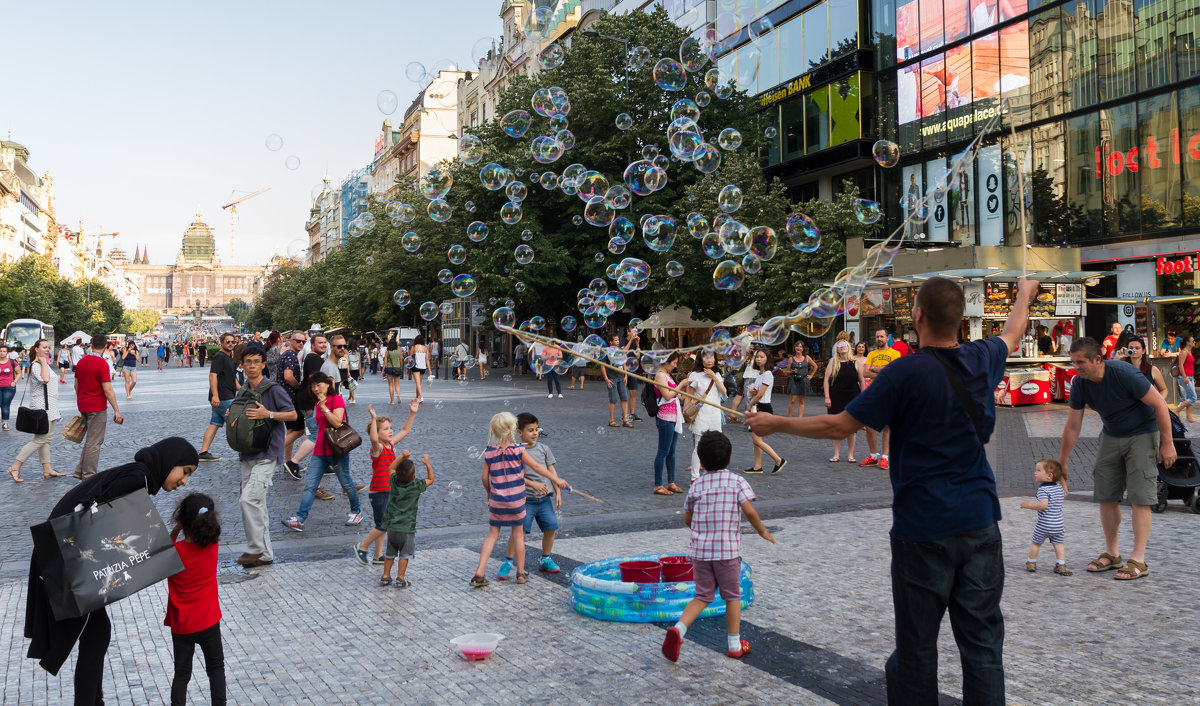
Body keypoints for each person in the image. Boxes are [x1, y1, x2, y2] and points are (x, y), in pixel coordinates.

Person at [748, 276, 1038, 703]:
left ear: (917, 316)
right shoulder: (982, 356)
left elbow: (840, 424)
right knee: (982, 649)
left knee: (916, 651)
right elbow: (1013, 331)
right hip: (980, 523)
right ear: (961, 320)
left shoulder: (905, 371)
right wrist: (1023, 296)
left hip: (922, 530)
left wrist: (777, 423)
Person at [25, 437, 199, 706]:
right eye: (185, 471)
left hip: (63, 553)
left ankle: (93, 702)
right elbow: (91, 517)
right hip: (64, 556)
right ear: (170, 461)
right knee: (96, 632)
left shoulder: (138, 475)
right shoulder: (137, 478)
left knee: (97, 632)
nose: (184, 481)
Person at [1060, 336, 1176, 581]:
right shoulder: (1080, 383)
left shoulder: (1123, 373)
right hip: (1111, 434)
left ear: (1098, 359)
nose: (1076, 367)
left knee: (1140, 497)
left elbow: (1160, 405)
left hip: (1143, 433)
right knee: (1106, 494)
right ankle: (1113, 554)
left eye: (1081, 362)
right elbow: (1072, 425)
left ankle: (1138, 559)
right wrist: (1062, 461)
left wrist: (1167, 444)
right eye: (1073, 362)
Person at [661, 431, 775, 663]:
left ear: (701, 462)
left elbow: (687, 520)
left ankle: (679, 629)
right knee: (732, 596)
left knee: (702, 595)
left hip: (700, 553)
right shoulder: (737, 481)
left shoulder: (697, 486)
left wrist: (702, 530)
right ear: (730, 459)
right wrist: (762, 531)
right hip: (727, 552)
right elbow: (750, 510)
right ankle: (734, 644)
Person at [469, 412, 551, 587]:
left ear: (495, 431)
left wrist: (489, 493)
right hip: (517, 501)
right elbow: (536, 466)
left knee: (492, 536)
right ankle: (520, 573)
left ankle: (479, 572)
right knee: (518, 536)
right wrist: (556, 479)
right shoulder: (518, 449)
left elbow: (484, 478)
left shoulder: (489, 452)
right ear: (513, 429)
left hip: (497, 500)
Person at [233, 348, 296, 569]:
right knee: (256, 504)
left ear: (262, 365)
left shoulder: (273, 389)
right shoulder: (242, 392)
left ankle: (254, 549)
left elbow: (293, 415)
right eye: (248, 361)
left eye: (256, 362)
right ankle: (266, 554)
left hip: (268, 453)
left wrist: (267, 414)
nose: (251, 365)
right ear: (242, 364)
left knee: (248, 500)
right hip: (247, 453)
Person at [281, 372, 364, 531]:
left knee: (345, 482)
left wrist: (325, 407)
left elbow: (337, 423)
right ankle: (300, 518)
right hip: (320, 449)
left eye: (319, 385)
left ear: (327, 385)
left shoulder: (336, 400)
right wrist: (321, 405)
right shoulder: (317, 403)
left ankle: (356, 511)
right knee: (310, 485)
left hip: (337, 448)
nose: (316, 389)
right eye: (313, 386)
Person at [165, 492, 226, 706]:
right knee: (216, 668)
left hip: (182, 626)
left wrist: (176, 530)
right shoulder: (213, 547)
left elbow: (161, 549)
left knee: (181, 674)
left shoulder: (174, 553)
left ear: (183, 521)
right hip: (209, 621)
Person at [498, 412, 569, 579]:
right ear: (519, 432)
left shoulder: (544, 449)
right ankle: (508, 561)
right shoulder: (516, 451)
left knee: (551, 528)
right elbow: (514, 476)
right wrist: (533, 484)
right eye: (530, 430)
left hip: (544, 500)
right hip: (524, 500)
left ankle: (545, 559)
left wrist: (558, 492)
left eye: (536, 429)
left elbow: (552, 473)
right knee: (519, 532)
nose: (535, 433)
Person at [355, 400, 419, 566]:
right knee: (384, 524)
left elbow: (405, 430)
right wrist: (374, 419)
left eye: (391, 428)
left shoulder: (390, 445)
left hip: (389, 491)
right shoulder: (378, 449)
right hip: (379, 492)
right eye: (385, 429)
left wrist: (412, 413)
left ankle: (377, 555)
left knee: (382, 524)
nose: (390, 431)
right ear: (376, 432)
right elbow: (374, 440)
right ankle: (362, 547)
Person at [7, 339, 66, 481]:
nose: (47, 350)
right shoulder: (36, 365)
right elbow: (45, 379)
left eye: (48, 347)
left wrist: (45, 363)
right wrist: (44, 362)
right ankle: (15, 466)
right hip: (41, 407)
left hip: (50, 407)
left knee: (47, 439)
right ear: (36, 349)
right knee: (39, 440)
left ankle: (47, 469)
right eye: (44, 347)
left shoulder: (43, 364)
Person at [379, 451, 434, 587]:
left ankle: (385, 576)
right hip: (407, 529)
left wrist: (402, 457)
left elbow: (391, 468)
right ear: (414, 476)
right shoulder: (416, 486)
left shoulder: (394, 482)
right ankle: (400, 578)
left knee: (390, 553)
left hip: (392, 528)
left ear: (397, 475)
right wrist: (427, 464)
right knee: (404, 554)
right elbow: (431, 479)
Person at [73, 333, 124, 480]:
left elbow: (76, 385)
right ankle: (88, 476)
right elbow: (107, 389)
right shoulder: (102, 364)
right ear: (105, 347)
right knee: (94, 443)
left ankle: (80, 470)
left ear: (91, 345)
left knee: (90, 440)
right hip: (97, 406)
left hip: (83, 404)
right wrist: (116, 410)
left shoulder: (82, 361)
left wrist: (81, 399)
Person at [1020, 459, 1071, 576]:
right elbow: (1066, 492)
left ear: (1049, 476)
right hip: (1059, 524)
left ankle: (1031, 563)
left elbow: (1043, 505)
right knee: (1059, 544)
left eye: (1038, 470)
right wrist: (1061, 478)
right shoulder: (1059, 488)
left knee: (1036, 543)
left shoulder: (1043, 489)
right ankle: (1061, 564)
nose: (1035, 472)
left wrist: (1028, 505)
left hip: (1044, 524)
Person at [860, 328, 900, 470]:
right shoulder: (871, 353)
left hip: (889, 392)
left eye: (882, 336)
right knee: (869, 425)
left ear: (887, 338)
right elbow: (865, 372)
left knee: (887, 426)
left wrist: (875, 369)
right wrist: (883, 370)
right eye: (877, 337)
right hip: (874, 392)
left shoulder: (895, 353)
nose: (879, 339)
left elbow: (895, 372)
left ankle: (885, 457)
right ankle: (873, 455)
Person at [197, 333, 239, 463]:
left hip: (222, 397)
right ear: (221, 343)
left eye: (233, 342)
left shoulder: (228, 357)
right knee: (236, 425)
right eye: (228, 342)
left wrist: (242, 389)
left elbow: (232, 378)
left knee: (214, 423)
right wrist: (215, 395)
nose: (231, 344)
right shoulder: (220, 357)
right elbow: (212, 375)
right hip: (223, 397)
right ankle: (245, 452)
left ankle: (203, 452)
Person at [685, 351, 726, 483]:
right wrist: (687, 414)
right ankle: (694, 477)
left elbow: (723, 391)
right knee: (699, 445)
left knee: (717, 444)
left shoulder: (717, 374)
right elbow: (689, 395)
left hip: (714, 413)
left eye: (712, 358)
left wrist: (714, 376)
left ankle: (715, 474)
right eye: (706, 358)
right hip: (701, 414)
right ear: (700, 360)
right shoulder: (695, 375)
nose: (709, 360)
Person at [744, 349, 786, 475]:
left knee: (757, 440)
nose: (758, 359)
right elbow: (758, 391)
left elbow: (762, 393)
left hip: (764, 408)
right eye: (757, 357)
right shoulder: (760, 374)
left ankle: (779, 460)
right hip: (758, 406)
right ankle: (757, 466)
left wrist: (750, 403)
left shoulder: (767, 374)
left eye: (762, 357)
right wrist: (753, 392)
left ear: (767, 359)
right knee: (755, 439)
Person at [653, 352, 690, 494]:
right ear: (666, 362)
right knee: (663, 451)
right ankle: (658, 485)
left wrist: (685, 392)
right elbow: (667, 395)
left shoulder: (667, 375)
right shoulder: (660, 375)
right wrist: (681, 384)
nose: (675, 366)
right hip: (665, 417)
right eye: (673, 363)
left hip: (674, 417)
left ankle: (671, 482)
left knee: (672, 452)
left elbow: (675, 396)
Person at [823, 340, 862, 463]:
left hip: (853, 397)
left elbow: (861, 380)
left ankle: (851, 455)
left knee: (852, 428)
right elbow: (826, 380)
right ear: (837, 349)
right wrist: (827, 396)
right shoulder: (833, 362)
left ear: (849, 347)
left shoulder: (856, 362)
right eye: (839, 345)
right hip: (836, 397)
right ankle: (836, 454)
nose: (842, 347)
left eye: (844, 345)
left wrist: (864, 397)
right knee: (837, 426)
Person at [275, 331, 307, 479]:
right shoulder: (290, 355)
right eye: (298, 341)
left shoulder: (286, 354)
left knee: (291, 431)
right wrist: (299, 387)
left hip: (283, 397)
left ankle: (288, 462)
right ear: (290, 340)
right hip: (290, 398)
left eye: (303, 341)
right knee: (299, 430)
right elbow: (288, 377)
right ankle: (272, 452)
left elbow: (278, 377)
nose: (301, 343)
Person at [775, 341, 817, 418]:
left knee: (801, 401)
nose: (798, 348)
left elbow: (815, 366)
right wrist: (792, 371)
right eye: (797, 346)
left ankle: (799, 419)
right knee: (793, 400)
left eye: (800, 347)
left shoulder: (807, 357)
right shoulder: (791, 359)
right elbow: (787, 372)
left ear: (803, 349)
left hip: (804, 380)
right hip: (794, 380)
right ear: (794, 348)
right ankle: (790, 418)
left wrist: (811, 375)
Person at [602, 334, 632, 427]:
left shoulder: (620, 351)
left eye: (618, 340)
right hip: (611, 378)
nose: (618, 342)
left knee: (624, 398)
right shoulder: (606, 352)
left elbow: (623, 363)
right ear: (610, 342)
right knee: (613, 399)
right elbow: (602, 365)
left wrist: (626, 375)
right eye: (615, 340)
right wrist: (606, 378)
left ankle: (625, 420)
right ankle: (611, 420)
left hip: (621, 377)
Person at [1175, 335, 1196, 423]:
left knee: (1189, 396)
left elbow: (1190, 366)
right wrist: (1185, 377)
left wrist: (1192, 378)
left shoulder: (1190, 351)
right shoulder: (1184, 352)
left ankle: (1189, 417)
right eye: (1193, 341)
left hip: (1190, 377)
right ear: (1188, 342)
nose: (1194, 342)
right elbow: (1181, 365)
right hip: (1185, 377)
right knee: (1193, 397)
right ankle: (1176, 410)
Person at [0, 343, 20, 430]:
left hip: (9, 387)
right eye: (0, 351)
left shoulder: (12, 362)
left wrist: (14, 382)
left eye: (4, 351)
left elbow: (18, 372)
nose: (1, 353)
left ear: (7, 352)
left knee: (5, 405)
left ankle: (5, 423)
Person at [383, 339, 404, 405]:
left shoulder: (387, 352)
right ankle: (398, 395)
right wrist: (400, 368)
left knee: (390, 384)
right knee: (397, 384)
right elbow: (401, 360)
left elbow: (385, 362)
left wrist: (383, 370)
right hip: (397, 368)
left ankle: (392, 401)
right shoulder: (399, 351)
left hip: (389, 368)